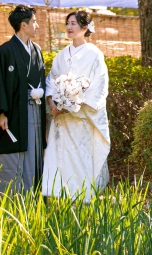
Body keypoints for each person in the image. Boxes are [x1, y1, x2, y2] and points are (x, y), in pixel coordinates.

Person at [42, 10, 110, 201]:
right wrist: (52, 103)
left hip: (81, 118)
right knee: (60, 156)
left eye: (73, 23)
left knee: (80, 157)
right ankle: (58, 197)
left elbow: (99, 85)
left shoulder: (94, 54)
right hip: (61, 120)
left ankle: (82, 198)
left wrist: (75, 103)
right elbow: (51, 81)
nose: (69, 27)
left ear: (85, 27)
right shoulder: (61, 55)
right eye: (68, 23)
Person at [0, 5, 47, 194]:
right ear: (23, 25)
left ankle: (33, 197)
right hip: (14, 111)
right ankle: (11, 198)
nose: (37, 26)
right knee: (14, 152)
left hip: (35, 108)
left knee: (34, 149)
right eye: (34, 22)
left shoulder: (36, 50)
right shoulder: (5, 51)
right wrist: (1, 113)